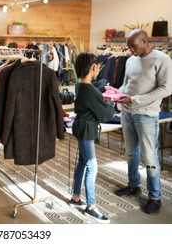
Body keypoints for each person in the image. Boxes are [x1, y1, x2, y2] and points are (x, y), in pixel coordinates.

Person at [116, 29, 172, 215]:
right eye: (129, 47)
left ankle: (155, 197)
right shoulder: (131, 60)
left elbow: (166, 89)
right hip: (127, 113)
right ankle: (133, 185)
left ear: (145, 41)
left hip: (147, 115)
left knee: (149, 157)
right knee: (131, 153)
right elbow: (126, 84)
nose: (131, 50)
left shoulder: (162, 59)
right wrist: (116, 93)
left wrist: (135, 99)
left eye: (134, 46)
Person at [70, 52, 115, 224]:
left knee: (82, 162)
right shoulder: (88, 90)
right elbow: (105, 113)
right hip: (87, 131)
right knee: (92, 166)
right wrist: (113, 103)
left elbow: (91, 93)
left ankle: (75, 197)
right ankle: (91, 206)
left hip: (81, 127)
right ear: (94, 68)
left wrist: (103, 90)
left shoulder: (79, 84)